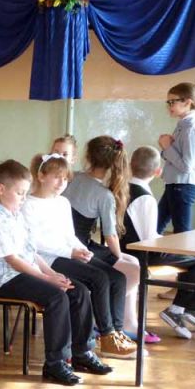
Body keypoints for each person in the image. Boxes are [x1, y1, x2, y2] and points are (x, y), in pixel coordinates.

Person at [0, 159, 112, 385]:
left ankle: (81, 352)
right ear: (1, 189)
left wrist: (52, 274)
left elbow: (31, 252)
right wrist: (47, 279)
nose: (23, 198)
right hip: (7, 279)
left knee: (78, 290)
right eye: (20, 193)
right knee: (56, 297)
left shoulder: (15, 216)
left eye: (24, 193)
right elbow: (13, 260)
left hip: (26, 273)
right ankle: (55, 364)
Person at [23, 153, 136, 359]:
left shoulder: (63, 203)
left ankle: (116, 331)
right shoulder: (28, 204)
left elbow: (69, 235)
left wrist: (82, 249)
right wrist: (70, 252)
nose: (61, 183)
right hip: (47, 260)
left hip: (67, 254)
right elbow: (35, 242)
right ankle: (106, 335)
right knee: (99, 278)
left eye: (65, 178)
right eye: (56, 177)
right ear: (41, 176)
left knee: (117, 278)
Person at [63, 136, 156, 343]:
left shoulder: (72, 177)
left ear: (88, 157)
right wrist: (118, 256)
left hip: (73, 242)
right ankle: (107, 319)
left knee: (133, 264)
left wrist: (120, 257)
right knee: (133, 269)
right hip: (79, 246)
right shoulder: (103, 194)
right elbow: (110, 235)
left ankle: (126, 321)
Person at [122, 146, 195, 339]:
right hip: (143, 254)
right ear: (158, 172)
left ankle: (187, 309)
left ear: (130, 166)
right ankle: (178, 310)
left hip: (126, 249)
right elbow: (149, 239)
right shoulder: (145, 198)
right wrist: (175, 243)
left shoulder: (121, 188)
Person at [157, 82, 195, 233]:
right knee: (156, 226)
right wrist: (166, 148)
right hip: (175, 184)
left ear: (187, 102)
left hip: (183, 185)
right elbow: (173, 155)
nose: (169, 106)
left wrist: (167, 147)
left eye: (173, 102)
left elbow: (186, 166)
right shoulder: (183, 125)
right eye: (168, 102)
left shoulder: (190, 129)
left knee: (182, 233)